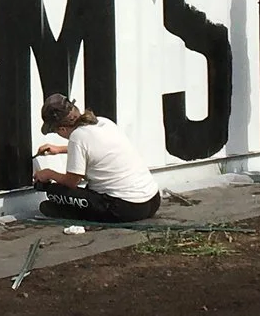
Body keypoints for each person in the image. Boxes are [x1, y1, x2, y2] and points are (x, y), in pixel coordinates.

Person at [30, 92, 162, 224]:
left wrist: (48, 174)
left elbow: (71, 182)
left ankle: (73, 213)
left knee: (55, 193)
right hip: (152, 200)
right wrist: (59, 149)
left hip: (126, 208)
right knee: (83, 193)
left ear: (62, 129)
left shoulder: (77, 137)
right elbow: (95, 149)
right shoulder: (101, 122)